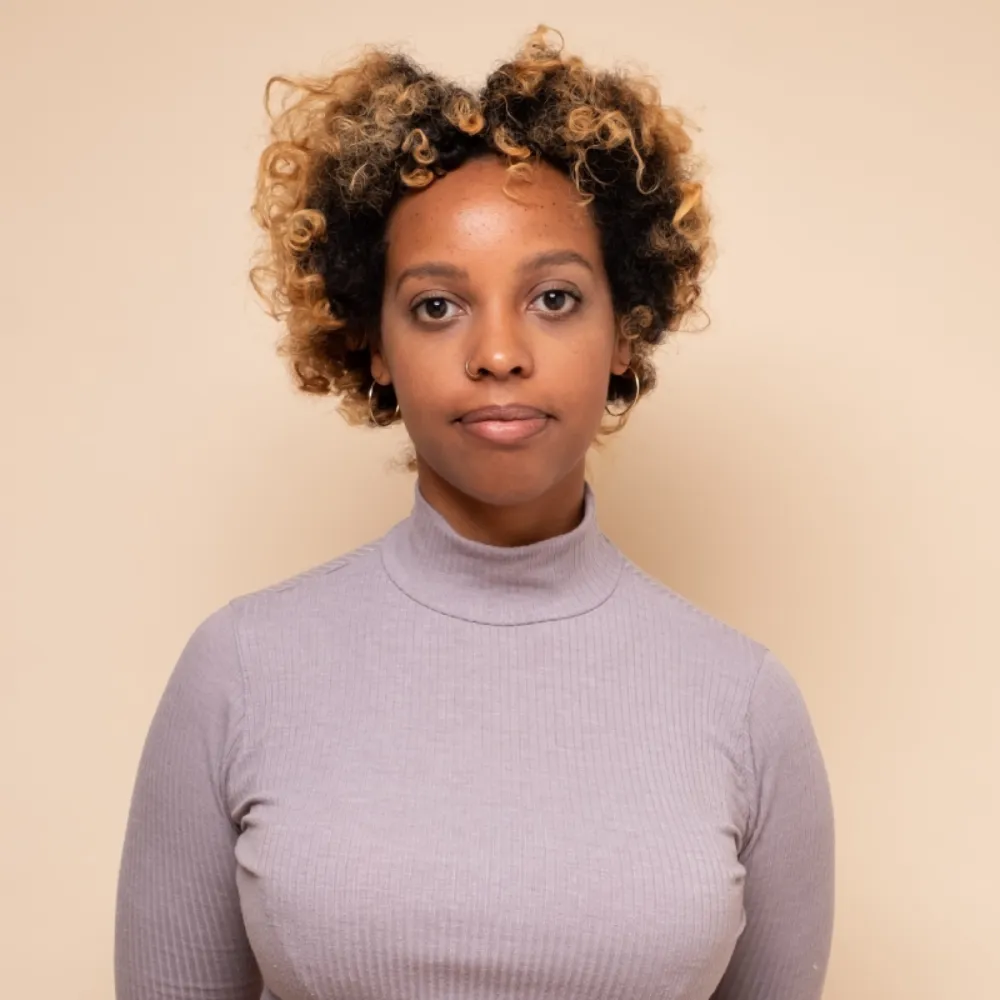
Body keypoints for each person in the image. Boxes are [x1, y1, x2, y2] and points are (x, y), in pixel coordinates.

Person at [114, 26, 835, 1000]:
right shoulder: (238, 671)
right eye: (436, 306)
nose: (498, 353)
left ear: (624, 330)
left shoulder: (744, 704)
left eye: (553, 297)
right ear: (373, 344)